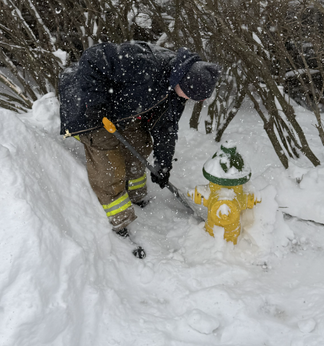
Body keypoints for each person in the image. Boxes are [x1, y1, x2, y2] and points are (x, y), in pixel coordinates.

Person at [59, 41, 220, 234]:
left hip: (121, 111)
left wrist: (163, 163)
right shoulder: (145, 61)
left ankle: (136, 195)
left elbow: (166, 127)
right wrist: (95, 102)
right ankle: (119, 219)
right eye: (189, 94)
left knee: (140, 143)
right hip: (87, 106)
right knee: (109, 164)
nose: (188, 99)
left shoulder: (177, 89)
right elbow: (93, 58)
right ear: (183, 81)